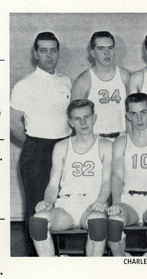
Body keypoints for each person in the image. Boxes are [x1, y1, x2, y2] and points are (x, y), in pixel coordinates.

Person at [10, 32, 72, 255]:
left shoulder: (66, 81)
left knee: (61, 203)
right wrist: (35, 144)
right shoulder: (24, 84)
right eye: (43, 50)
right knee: (37, 208)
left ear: (58, 53)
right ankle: (34, 262)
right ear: (35, 54)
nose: (48, 55)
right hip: (37, 151)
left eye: (53, 50)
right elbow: (13, 123)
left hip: (65, 149)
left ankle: (60, 256)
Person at [29, 99, 111, 257]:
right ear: (70, 122)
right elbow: (53, 185)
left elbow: (107, 182)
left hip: (92, 204)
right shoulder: (61, 147)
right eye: (77, 118)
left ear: (94, 118)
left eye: (87, 117)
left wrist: (100, 202)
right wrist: (47, 202)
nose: (83, 122)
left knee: (97, 223)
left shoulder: (106, 145)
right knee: (38, 221)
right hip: (66, 205)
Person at [107, 93, 147, 256]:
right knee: (114, 222)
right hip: (129, 200)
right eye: (134, 113)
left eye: (143, 112)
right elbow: (117, 176)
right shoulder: (121, 142)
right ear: (127, 116)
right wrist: (116, 203)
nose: (139, 118)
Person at [71, 31, 130, 139]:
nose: (106, 53)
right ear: (92, 53)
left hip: (122, 139)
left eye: (110, 48)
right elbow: (76, 118)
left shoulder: (126, 77)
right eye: (101, 48)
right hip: (95, 140)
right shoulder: (83, 81)